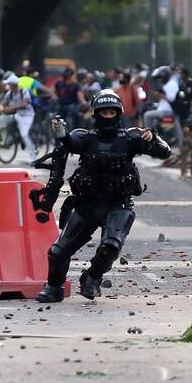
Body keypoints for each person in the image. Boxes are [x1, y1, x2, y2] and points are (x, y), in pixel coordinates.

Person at [30, 90, 171, 303]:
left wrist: (153, 137)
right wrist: (61, 134)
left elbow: (165, 152)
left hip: (117, 205)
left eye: (111, 112)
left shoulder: (132, 137)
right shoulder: (85, 137)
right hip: (87, 205)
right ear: (96, 114)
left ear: (119, 113)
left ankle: (92, 277)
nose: (107, 116)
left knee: (111, 246)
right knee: (58, 252)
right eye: (103, 112)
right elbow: (70, 143)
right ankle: (54, 286)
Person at [0, 74, 37, 163]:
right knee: (2, 119)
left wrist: (11, 109)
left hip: (27, 116)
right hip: (17, 114)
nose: (8, 86)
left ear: (14, 84)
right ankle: (5, 140)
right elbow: (2, 103)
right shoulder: (10, 92)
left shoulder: (23, 91)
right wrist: (2, 109)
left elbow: (24, 104)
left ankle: (33, 155)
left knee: (24, 134)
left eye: (9, 84)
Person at [143, 65, 182, 148]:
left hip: (167, 112)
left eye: (161, 78)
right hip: (163, 110)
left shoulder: (172, 84)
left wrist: (160, 95)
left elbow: (170, 98)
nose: (160, 80)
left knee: (147, 115)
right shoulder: (166, 85)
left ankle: (149, 136)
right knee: (176, 129)